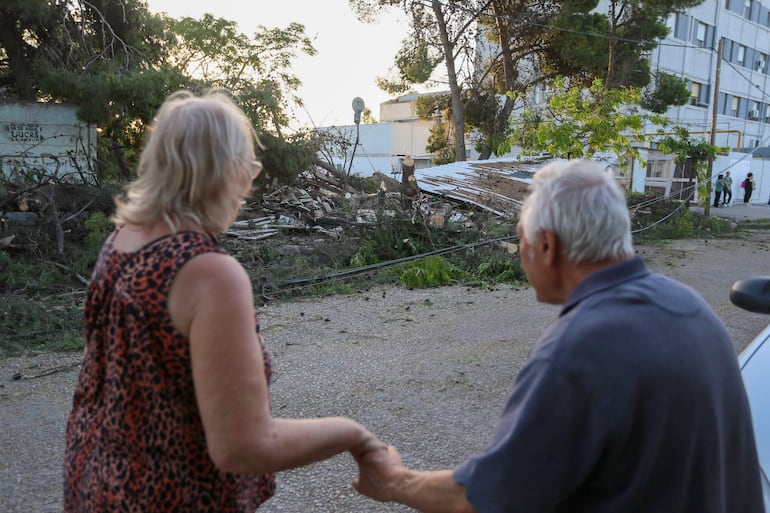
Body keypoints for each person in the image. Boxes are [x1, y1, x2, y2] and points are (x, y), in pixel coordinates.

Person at [353, 160, 765, 513]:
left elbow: (487, 499)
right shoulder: (689, 306)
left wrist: (394, 482)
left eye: (521, 238)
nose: (521, 251)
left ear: (547, 245)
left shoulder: (579, 350)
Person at [64, 90, 383, 512]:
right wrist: (353, 434)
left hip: (96, 486)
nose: (249, 183)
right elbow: (242, 447)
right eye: (248, 168)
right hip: (170, 499)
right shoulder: (210, 273)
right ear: (225, 171)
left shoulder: (123, 240)